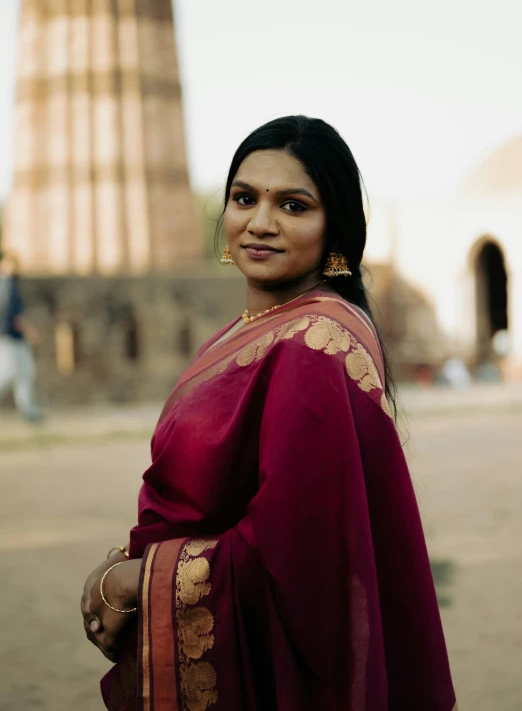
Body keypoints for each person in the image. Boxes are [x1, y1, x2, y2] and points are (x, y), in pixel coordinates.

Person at [81, 116, 457, 711]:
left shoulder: (311, 346)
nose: (260, 223)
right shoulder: (254, 331)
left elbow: (301, 553)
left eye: (293, 205)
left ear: (334, 226)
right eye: (244, 198)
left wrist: (143, 580)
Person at [0, 250, 42, 422]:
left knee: (25, 373)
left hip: (15, 339)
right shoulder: (7, 285)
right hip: (10, 338)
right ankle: (28, 410)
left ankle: (28, 410)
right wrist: (31, 332)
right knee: (7, 374)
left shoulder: (9, 284)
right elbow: (16, 316)